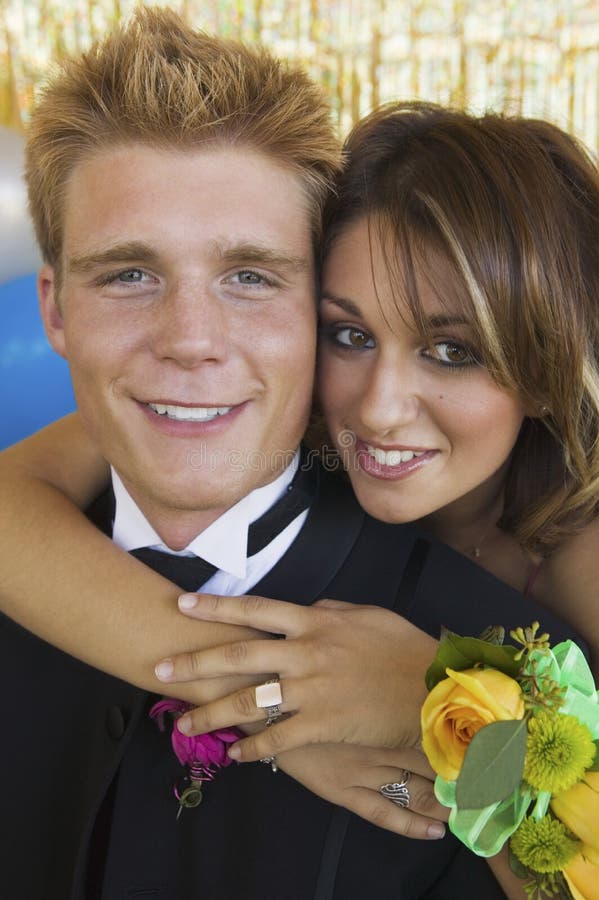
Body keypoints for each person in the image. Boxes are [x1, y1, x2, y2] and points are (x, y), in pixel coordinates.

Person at [1, 8, 570, 900]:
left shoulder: (505, 669)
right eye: (128, 274)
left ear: (307, 313)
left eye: (251, 277)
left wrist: (423, 768)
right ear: (56, 313)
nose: (191, 342)